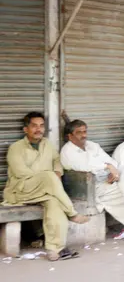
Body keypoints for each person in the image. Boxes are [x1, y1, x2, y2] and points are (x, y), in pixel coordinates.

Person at [2, 112, 89, 261]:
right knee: (49, 177)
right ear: (25, 129)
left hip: (45, 191)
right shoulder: (16, 148)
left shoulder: (47, 144)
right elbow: (20, 172)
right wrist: (47, 177)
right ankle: (72, 213)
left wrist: (57, 171)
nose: (38, 129)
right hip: (21, 190)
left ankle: (55, 250)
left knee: (55, 204)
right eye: (34, 126)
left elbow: (56, 160)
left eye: (41, 126)